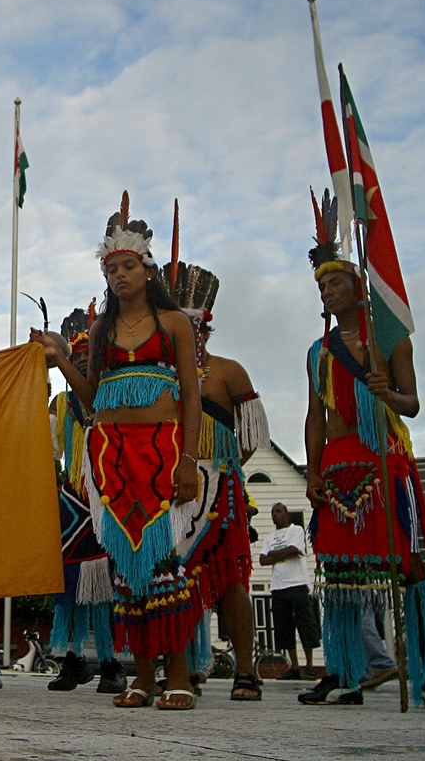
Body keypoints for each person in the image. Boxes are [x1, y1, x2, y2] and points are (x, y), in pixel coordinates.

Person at [34, 194, 201, 710]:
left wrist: (189, 461)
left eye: (129, 266)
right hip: (109, 452)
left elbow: (192, 397)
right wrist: (62, 359)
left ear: (148, 271)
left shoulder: (174, 325)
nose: (120, 276)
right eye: (112, 269)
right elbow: (90, 401)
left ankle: (179, 676)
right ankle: (142, 677)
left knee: (165, 563)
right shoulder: (103, 329)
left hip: (162, 450)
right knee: (126, 569)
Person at [301, 190, 425, 710]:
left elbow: (411, 405)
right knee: (340, 572)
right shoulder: (318, 352)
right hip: (338, 465)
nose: (328, 291)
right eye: (322, 285)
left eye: (337, 281)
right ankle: (345, 671)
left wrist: (387, 392)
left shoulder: (391, 340)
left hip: (386, 461)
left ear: (359, 285)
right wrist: (311, 472)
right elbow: (315, 417)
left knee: (411, 567)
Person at [159, 252, 269, 702]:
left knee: (229, 580)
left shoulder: (227, 371)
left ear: (205, 327)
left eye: (197, 327)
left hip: (221, 489)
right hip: (171, 489)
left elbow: (252, 433)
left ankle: (245, 670)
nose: (192, 335)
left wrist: (223, 466)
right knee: (172, 580)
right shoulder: (159, 373)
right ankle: (184, 670)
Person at [42, 316, 126, 695]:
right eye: (73, 355)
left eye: (86, 355)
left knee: (106, 587)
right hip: (73, 503)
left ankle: (111, 662)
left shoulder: (112, 395)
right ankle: (72, 658)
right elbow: (47, 451)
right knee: (71, 586)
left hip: (110, 498)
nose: (79, 360)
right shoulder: (59, 404)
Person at [259, 502, 319, 680]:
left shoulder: (296, 530)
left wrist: (274, 554)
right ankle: (294, 666)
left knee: (305, 624)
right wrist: (285, 554)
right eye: (272, 512)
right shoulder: (270, 536)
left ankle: (309, 665)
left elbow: (295, 549)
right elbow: (263, 559)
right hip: (278, 586)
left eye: (278, 511)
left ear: (286, 514)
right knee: (284, 628)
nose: (275, 515)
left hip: (297, 583)